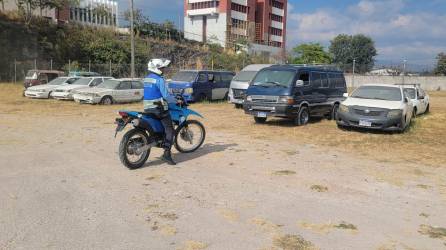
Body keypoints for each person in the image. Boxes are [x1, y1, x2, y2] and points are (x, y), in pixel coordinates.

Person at [143, 58, 177, 165]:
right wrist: (176, 100)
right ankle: (167, 154)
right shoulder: (159, 79)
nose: (163, 69)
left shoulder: (146, 79)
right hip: (158, 109)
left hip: (147, 108)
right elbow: (166, 95)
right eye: (162, 67)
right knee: (170, 128)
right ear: (157, 68)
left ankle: (157, 137)